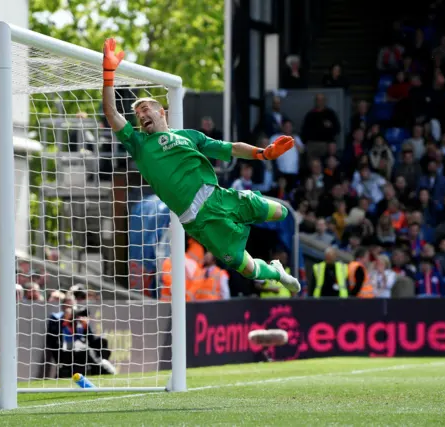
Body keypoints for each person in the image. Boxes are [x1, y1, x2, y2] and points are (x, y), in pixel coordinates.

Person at [102, 39, 300, 293]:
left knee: (280, 213)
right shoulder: (139, 144)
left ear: (161, 111)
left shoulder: (189, 136)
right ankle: (277, 273)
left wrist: (264, 153)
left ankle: (273, 255)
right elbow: (111, 112)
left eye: (145, 109)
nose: (140, 115)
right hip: (199, 221)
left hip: (219, 197)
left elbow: (231, 148)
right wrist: (109, 75)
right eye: (137, 114)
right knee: (246, 268)